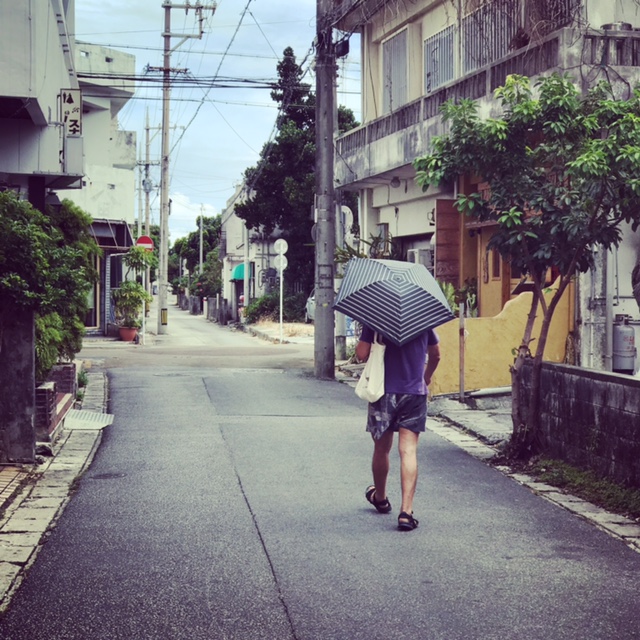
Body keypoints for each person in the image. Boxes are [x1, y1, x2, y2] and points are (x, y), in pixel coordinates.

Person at [356, 326, 441, 531]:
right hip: (414, 392)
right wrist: (426, 377)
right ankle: (406, 513)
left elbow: (361, 354)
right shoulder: (423, 320)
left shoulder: (377, 320)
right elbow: (436, 355)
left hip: (382, 391)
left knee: (381, 448)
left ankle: (380, 498)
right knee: (408, 450)